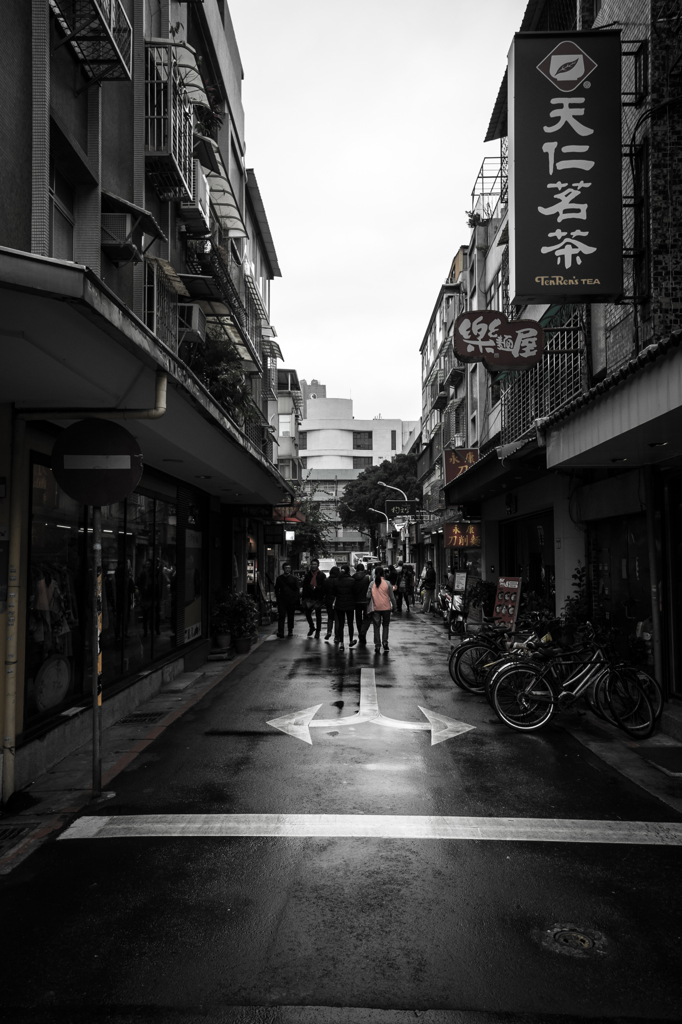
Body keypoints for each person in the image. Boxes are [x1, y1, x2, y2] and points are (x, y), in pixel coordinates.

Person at [367, 565, 397, 653]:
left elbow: (368, 596)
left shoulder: (372, 583)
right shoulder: (387, 583)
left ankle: (377, 645)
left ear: (375, 573)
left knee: (376, 626)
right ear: (383, 574)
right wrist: (394, 607)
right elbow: (392, 597)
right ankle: (385, 642)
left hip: (376, 608)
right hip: (386, 608)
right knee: (385, 625)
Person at [332, 563, 358, 651]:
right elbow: (355, 593)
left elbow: (334, 593)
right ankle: (351, 640)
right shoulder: (352, 580)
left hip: (339, 604)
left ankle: (341, 643)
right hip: (350, 604)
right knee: (350, 623)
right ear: (348, 571)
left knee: (341, 624)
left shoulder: (336, 580)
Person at [301, 559, 326, 638]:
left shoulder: (322, 575)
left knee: (318, 615)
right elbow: (304, 586)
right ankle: (312, 627)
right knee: (307, 613)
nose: (313, 566)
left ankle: (318, 631)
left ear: (318, 565)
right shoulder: (308, 575)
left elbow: (324, 586)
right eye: (312, 564)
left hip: (318, 597)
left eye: (315, 564)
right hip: (309, 597)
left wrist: (316, 588)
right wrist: (303, 597)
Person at [274, 562, 300, 637]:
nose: (287, 569)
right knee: (281, 616)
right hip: (282, 600)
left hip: (291, 600)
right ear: (283, 569)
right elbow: (276, 589)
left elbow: (297, 590)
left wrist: (295, 599)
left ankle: (290, 630)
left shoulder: (294, 578)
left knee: (290, 616)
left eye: (288, 568)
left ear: (290, 569)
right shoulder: (279, 578)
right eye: (286, 568)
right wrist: (278, 598)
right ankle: (281, 631)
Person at [352, 561, 371, 643]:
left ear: (356, 569)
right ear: (363, 569)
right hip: (366, 601)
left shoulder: (353, 577)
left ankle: (360, 633)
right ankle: (363, 632)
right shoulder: (368, 578)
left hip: (356, 601)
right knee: (367, 618)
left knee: (358, 618)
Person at [322, 566, 340, 640]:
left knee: (330, 617)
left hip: (328, 600)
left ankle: (329, 631)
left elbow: (323, 591)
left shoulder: (326, 580)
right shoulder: (338, 580)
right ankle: (336, 636)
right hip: (337, 600)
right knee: (337, 619)